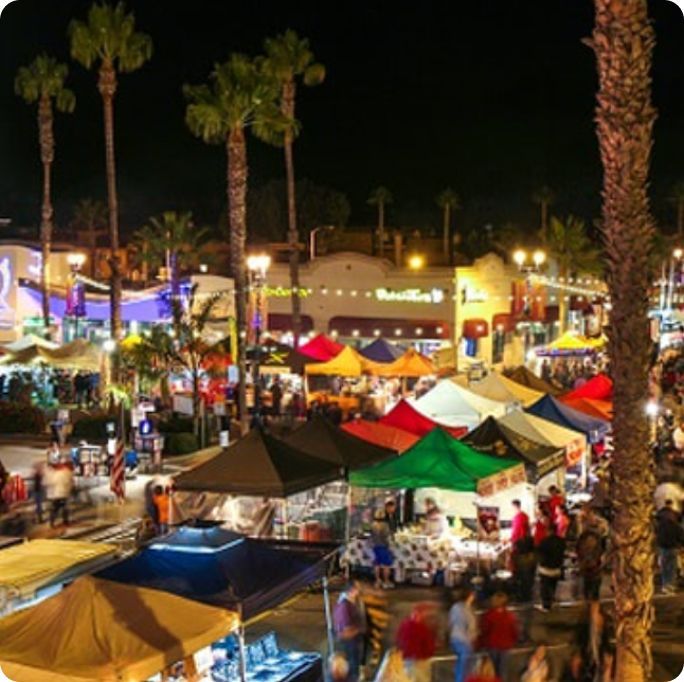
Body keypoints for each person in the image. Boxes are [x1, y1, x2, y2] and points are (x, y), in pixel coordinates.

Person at [477, 592, 518, 677]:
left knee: (492, 670)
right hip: (505, 645)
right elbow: (514, 631)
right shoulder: (510, 616)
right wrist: (513, 641)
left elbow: (484, 630)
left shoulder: (488, 615)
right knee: (503, 670)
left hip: (492, 645)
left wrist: (481, 643)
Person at [395, 603, 437, 682]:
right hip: (418, 660)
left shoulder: (405, 625)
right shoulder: (419, 627)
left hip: (412, 659)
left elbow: (399, 640)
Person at [333, 582, 366, 681]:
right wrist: (359, 629)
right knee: (352, 663)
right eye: (356, 589)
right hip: (350, 640)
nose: (358, 591)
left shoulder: (351, 603)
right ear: (351, 591)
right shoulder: (345, 607)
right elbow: (345, 628)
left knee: (354, 661)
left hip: (352, 638)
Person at [656, 499, 684, 593]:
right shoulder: (675, 523)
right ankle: (671, 585)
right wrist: (680, 544)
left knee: (664, 567)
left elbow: (657, 534)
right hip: (673, 547)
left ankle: (665, 585)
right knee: (672, 567)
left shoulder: (660, 520)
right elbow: (680, 535)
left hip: (663, 547)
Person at [449, 588, 477, 682]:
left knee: (460, 664)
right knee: (466, 666)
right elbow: (470, 626)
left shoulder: (455, 607)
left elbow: (451, 622)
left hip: (455, 637)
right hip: (465, 639)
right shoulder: (467, 609)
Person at [537, 523, 566, 612]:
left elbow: (539, 554)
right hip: (557, 568)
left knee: (544, 587)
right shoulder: (561, 541)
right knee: (553, 586)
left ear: (548, 531)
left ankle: (546, 606)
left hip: (546, 569)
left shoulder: (544, 541)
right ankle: (551, 601)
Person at [576, 524, 605, 602]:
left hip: (592, 569)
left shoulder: (584, 539)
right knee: (591, 589)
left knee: (590, 588)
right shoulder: (596, 540)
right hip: (593, 569)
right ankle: (591, 604)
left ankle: (590, 603)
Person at [370, 508, 394, 589]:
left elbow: (371, 536)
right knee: (386, 565)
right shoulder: (385, 525)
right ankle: (386, 582)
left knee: (377, 564)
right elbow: (387, 537)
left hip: (375, 547)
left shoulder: (373, 524)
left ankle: (377, 580)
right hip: (383, 546)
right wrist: (389, 545)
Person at [46, 460, 74, 528]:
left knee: (55, 509)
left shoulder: (55, 473)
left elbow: (51, 483)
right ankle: (65, 522)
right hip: (63, 494)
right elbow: (71, 483)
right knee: (64, 509)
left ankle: (52, 523)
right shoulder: (68, 472)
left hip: (56, 494)